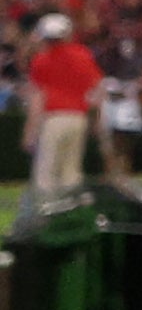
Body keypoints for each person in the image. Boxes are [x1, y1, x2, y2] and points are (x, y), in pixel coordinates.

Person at [21, 13, 101, 193]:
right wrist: (97, 121)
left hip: (54, 119)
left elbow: (37, 99)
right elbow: (96, 92)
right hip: (78, 118)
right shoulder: (83, 55)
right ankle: (73, 214)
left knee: (46, 174)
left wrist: (30, 131)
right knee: (71, 173)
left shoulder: (41, 61)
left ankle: (47, 216)